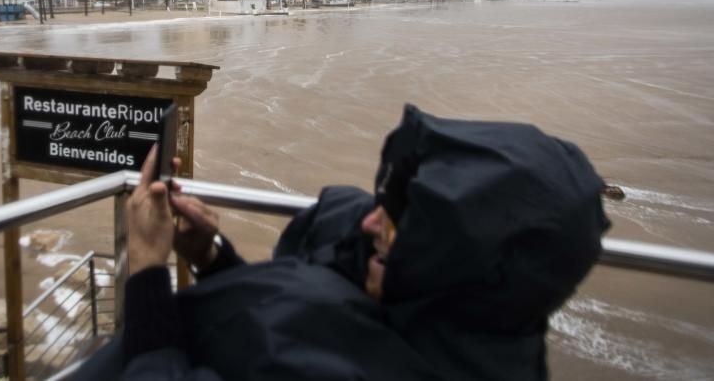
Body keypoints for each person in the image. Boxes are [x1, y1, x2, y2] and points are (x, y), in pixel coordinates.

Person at [76, 104, 610, 380]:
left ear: (462, 273)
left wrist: (147, 270)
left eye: (399, 227)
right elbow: (286, 317)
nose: (369, 225)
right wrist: (213, 257)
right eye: (384, 205)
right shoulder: (467, 332)